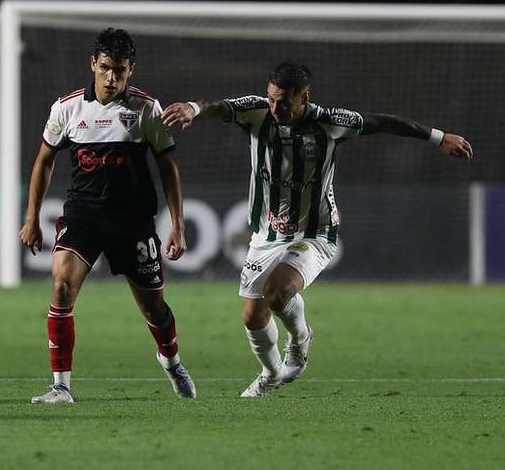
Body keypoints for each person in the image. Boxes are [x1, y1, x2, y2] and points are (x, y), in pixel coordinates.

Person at [161, 61, 473, 397]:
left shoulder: (330, 123)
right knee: (252, 317)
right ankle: (271, 372)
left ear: (304, 97)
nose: (275, 108)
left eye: (284, 102)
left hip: (315, 233)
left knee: (278, 292)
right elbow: (218, 107)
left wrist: (439, 137)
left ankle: (300, 339)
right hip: (265, 236)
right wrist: (192, 108)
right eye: (271, 99)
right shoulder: (256, 112)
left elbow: (383, 122)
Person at [20, 28, 196, 403]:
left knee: (154, 307)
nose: (111, 78)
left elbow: (168, 168)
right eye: (105, 68)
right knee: (62, 285)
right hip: (83, 215)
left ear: (131, 69)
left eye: (119, 70)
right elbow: (43, 161)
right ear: (92, 65)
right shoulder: (67, 108)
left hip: (133, 221)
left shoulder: (147, 109)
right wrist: (31, 218)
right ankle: (61, 386)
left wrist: (177, 226)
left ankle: (171, 359)